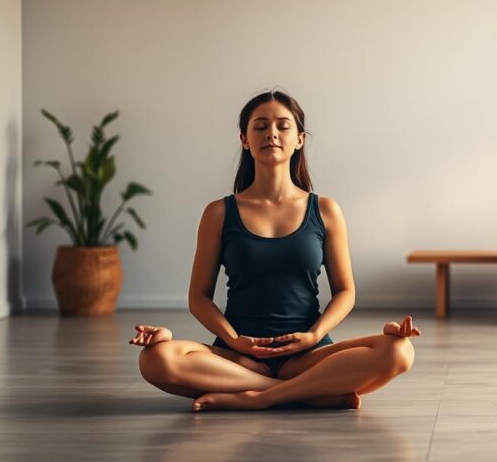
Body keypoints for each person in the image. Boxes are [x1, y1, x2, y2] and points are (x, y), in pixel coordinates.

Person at [131, 90, 419, 411]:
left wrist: (313, 336)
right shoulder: (218, 213)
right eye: (260, 126)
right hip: (238, 356)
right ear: (244, 139)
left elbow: (345, 291)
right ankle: (311, 392)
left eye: (283, 126)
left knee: (399, 351)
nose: (271, 133)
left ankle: (260, 398)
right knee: (155, 358)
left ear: (299, 139)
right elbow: (199, 297)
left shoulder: (325, 210)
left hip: (308, 355)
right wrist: (234, 340)